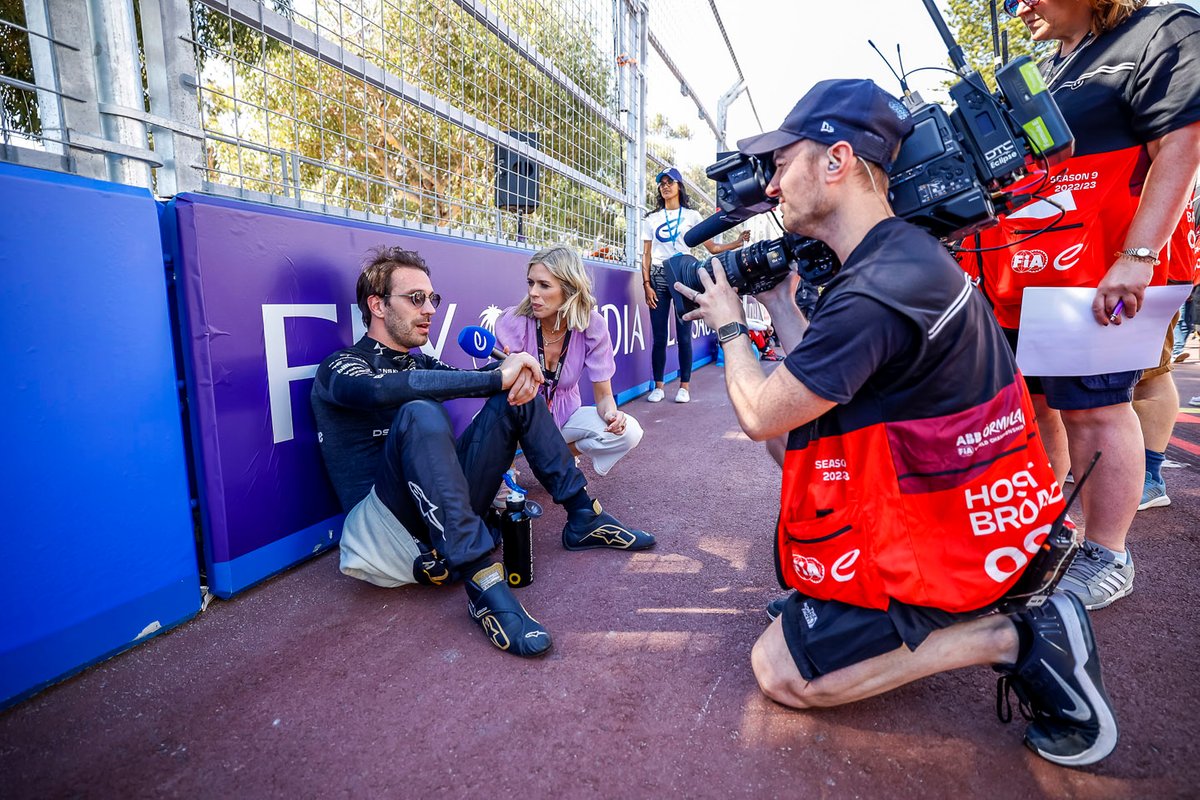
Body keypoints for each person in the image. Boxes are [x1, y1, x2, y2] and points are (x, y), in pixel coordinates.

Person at [680, 79, 1118, 766]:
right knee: (803, 449)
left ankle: (1016, 635)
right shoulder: (897, 259)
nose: (769, 187)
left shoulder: (878, 287)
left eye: (781, 162)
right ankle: (942, 608)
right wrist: (780, 306)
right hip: (973, 512)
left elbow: (763, 414)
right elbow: (814, 397)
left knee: (782, 673)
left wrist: (731, 326)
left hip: (957, 541)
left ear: (837, 161)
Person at [311, 247, 655, 658]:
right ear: (377, 305)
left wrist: (512, 375)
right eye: (415, 298)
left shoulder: (421, 362)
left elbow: (479, 379)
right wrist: (497, 377)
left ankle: (583, 516)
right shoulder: (341, 366)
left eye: (432, 299)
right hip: (387, 533)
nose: (429, 310)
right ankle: (483, 583)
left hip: (439, 520)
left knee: (517, 395)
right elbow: (379, 390)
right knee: (419, 412)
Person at [972, 0, 1200, 607]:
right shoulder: (1050, 66)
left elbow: (1182, 143)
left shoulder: (1162, 29)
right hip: (1035, 267)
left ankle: (1107, 555)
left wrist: (1139, 255)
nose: (1020, 6)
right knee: (1040, 406)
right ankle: (1045, 534)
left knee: (1095, 408)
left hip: (1102, 266)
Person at [495, 244, 643, 475]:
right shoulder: (514, 321)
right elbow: (499, 392)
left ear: (569, 289)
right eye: (531, 282)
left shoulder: (592, 326)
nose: (533, 292)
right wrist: (507, 370)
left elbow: (604, 396)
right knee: (488, 421)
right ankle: (506, 472)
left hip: (565, 418)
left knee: (629, 432)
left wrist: (611, 415)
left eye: (544, 285)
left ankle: (558, 455)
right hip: (522, 418)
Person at [642, 166, 749, 403]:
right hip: (658, 276)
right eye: (662, 183)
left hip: (682, 275)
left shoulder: (692, 217)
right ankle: (658, 385)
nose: (665, 186)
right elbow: (646, 255)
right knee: (659, 336)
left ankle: (684, 387)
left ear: (679, 186)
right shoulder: (652, 218)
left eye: (670, 182)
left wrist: (736, 243)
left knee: (684, 334)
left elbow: (711, 248)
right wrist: (646, 283)